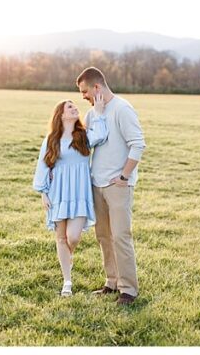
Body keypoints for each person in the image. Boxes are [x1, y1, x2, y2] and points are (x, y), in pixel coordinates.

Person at [77, 67, 146, 306]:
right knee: (104, 236)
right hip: (96, 184)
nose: (83, 96)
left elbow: (137, 145)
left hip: (117, 186)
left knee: (120, 237)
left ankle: (129, 290)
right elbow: (85, 145)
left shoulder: (122, 109)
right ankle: (112, 282)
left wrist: (125, 177)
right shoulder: (91, 114)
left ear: (97, 87)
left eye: (85, 91)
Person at [32, 97, 108, 297]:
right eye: (70, 107)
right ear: (61, 114)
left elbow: (101, 135)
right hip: (57, 193)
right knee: (60, 238)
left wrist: (99, 113)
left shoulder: (83, 136)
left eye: (75, 107)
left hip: (80, 194)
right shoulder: (51, 140)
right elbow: (43, 166)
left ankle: (66, 258)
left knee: (72, 237)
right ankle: (67, 281)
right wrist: (43, 193)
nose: (75, 109)